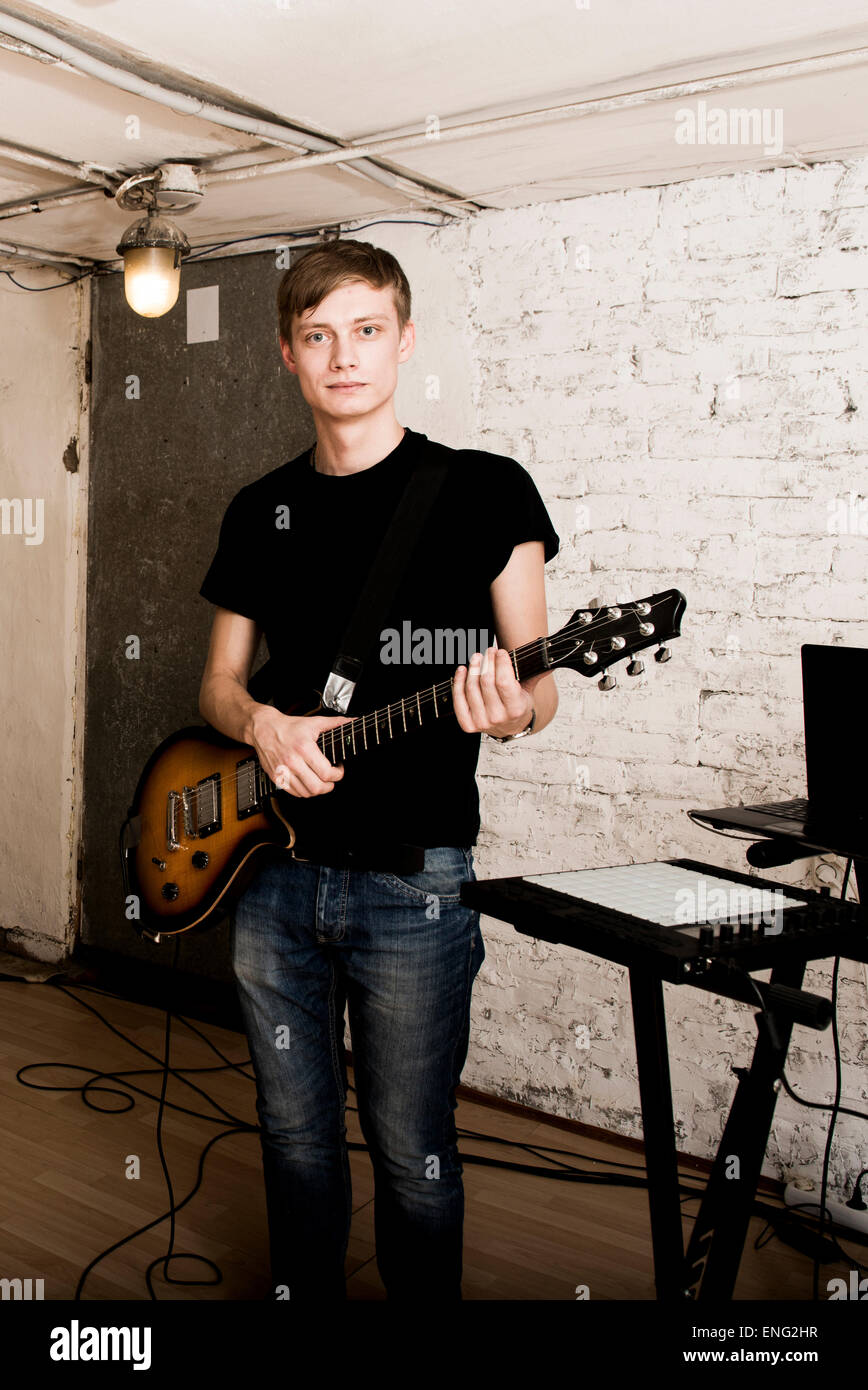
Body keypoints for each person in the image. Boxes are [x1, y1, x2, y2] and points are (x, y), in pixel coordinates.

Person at [197, 238, 560, 1300]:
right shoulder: (258, 508)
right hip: (269, 878)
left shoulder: (488, 493)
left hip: (416, 885)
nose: (343, 356)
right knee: (294, 1134)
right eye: (318, 335)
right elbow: (216, 686)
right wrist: (262, 724)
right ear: (287, 355)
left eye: (365, 331)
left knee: (414, 1150)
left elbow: (540, 689)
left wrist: (514, 708)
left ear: (403, 341)